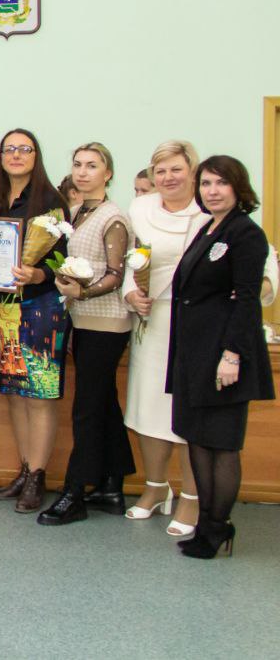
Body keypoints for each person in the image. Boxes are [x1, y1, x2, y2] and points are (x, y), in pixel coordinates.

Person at [167, 155, 274, 558]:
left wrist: (232, 355)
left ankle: (218, 527)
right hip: (194, 353)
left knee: (223, 444)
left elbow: (247, 300)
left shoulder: (246, 234)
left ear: (238, 187)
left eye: (221, 183)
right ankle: (205, 523)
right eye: (207, 183)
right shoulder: (208, 229)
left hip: (224, 354)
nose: (212, 191)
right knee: (197, 439)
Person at [39, 142, 135, 526]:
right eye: (77, 165)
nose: (82, 172)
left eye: (91, 166)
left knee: (86, 408)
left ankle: (74, 491)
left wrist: (82, 290)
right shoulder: (77, 212)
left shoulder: (113, 218)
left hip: (106, 323)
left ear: (107, 173)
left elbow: (115, 274)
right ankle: (112, 483)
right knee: (104, 401)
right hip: (82, 320)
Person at [122, 142, 206, 534]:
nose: (168, 178)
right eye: (160, 171)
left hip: (195, 324)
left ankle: (192, 497)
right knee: (147, 408)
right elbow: (129, 260)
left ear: (192, 171)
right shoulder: (140, 209)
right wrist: (130, 293)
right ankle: (156, 488)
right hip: (150, 320)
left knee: (186, 411)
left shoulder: (210, 211)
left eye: (176, 169)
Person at [0, 128, 70, 514]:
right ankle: (23, 468)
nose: (16, 155)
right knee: (16, 393)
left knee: (40, 395)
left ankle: (38, 476)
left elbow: (63, 262)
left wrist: (39, 275)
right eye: (10, 149)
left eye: (25, 149)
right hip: (3, 309)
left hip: (41, 309)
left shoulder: (51, 201)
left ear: (36, 156)